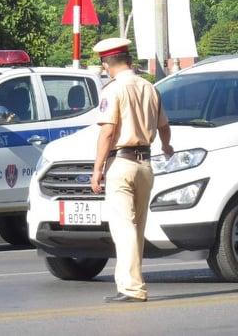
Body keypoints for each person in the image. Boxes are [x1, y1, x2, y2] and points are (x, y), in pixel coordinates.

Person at [90, 37, 173, 303]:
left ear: (107, 63)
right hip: (145, 165)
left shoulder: (113, 90)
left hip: (122, 163)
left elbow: (107, 132)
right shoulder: (150, 88)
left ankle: (131, 288)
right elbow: (164, 126)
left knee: (123, 227)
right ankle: (135, 282)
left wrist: (97, 169)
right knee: (137, 228)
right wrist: (167, 146)